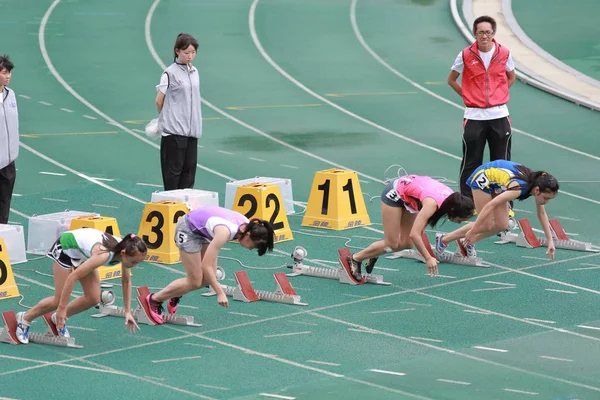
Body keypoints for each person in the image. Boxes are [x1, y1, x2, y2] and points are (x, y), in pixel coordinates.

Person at [143, 206, 275, 324]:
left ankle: (177, 291)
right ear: (248, 234)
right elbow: (205, 265)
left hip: (205, 233)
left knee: (207, 279)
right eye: (254, 245)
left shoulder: (248, 225)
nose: (252, 248)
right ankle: (154, 299)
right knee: (194, 282)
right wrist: (220, 293)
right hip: (188, 229)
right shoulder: (225, 232)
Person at [15, 229, 148, 344]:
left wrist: (127, 312)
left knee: (93, 298)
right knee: (58, 300)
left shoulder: (125, 251)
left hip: (82, 254)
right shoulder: (104, 255)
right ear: (124, 253)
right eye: (134, 262)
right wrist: (62, 308)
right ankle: (25, 318)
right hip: (66, 247)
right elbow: (72, 277)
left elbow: (126, 282)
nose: (135, 265)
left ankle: (57, 319)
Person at [346, 175, 475, 278]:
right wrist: (428, 258)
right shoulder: (432, 204)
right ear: (452, 210)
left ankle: (376, 252)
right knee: (392, 243)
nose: (459, 223)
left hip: (410, 199)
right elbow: (415, 234)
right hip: (394, 195)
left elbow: (417, 232)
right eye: (460, 219)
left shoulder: (452, 200)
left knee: (407, 244)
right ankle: (355, 258)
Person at [447, 15, 516, 205]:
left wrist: (497, 95)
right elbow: (451, 79)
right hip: (474, 115)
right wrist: (468, 96)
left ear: (493, 33)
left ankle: (503, 201)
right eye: (480, 32)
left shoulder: (504, 53)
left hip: (499, 115)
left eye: (487, 32)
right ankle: (467, 202)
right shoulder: (465, 55)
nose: (484, 36)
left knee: (501, 162)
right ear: (475, 34)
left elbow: (511, 77)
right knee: (471, 160)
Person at [434, 160, 559, 260]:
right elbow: (490, 206)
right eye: (546, 198)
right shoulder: (519, 189)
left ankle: (467, 243)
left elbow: (541, 213)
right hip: (483, 178)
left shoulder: (537, 184)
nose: (546, 202)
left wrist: (550, 241)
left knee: (502, 225)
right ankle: (444, 239)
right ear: (537, 190)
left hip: (498, 184)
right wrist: (474, 230)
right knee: (485, 225)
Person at [155, 33, 202, 191]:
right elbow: (159, 100)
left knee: (189, 173)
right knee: (173, 173)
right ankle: (172, 209)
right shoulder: (169, 73)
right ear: (177, 51)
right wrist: (166, 120)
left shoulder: (195, 72)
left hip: (192, 131)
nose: (190, 56)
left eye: (193, 53)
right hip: (174, 132)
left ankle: (185, 209)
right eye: (186, 52)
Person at [0, 54, 19, 225]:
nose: (8, 76)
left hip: (8, 161)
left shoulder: (10, 95)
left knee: (4, 203)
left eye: (9, 72)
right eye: (4, 72)